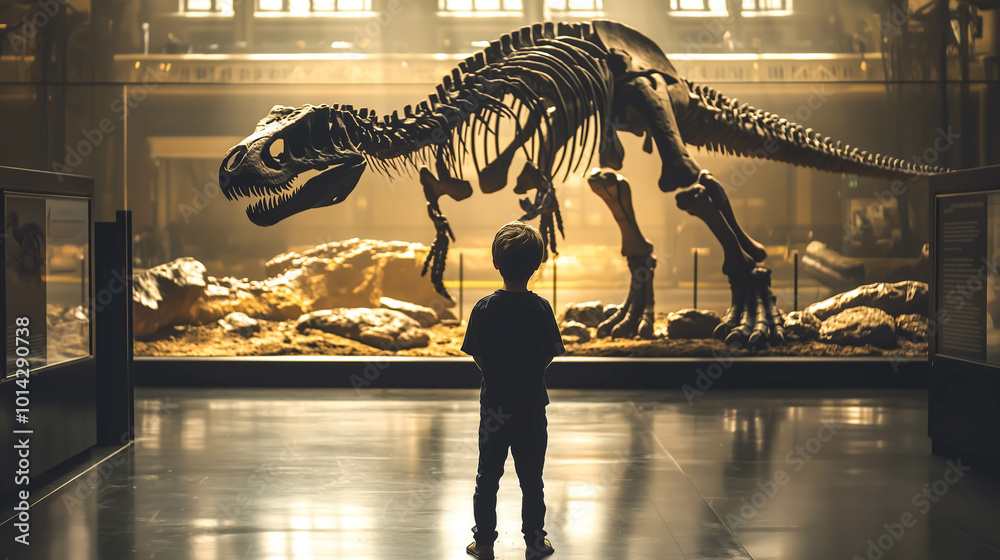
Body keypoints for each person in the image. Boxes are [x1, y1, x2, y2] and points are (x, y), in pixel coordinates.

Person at [461, 221, 565, 560]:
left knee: (487, 476)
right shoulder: (541, 308)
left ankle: (485, 542)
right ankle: (535, 541)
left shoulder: (484, 308)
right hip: (532, 405)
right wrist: (529, 372)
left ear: (496, 263)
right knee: (532, 478)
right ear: (536, 266)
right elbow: (550, 353)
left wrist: (495, 373)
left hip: (494, 406)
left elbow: (477, 352)